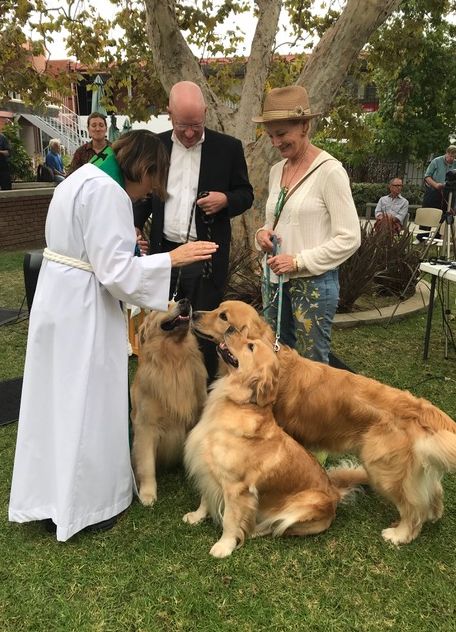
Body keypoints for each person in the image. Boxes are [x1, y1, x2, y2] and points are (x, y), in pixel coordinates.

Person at [8, 130, 218, 542]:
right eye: (149, 186)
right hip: (84, 307)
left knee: (56, 398)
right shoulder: (109, 193)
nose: (144, 196)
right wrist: (170, 259)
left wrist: (129, 251)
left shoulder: (78, 178)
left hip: (59, 297)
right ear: (144, 168)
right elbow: (116, 274)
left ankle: (49, 494)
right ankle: (88, 504)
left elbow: (95, 252)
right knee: (86, 399)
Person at [134, 81, 254, 380]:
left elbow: (245, 193)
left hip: (206, 257)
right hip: (166, 253)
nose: (189, 133)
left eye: (196, 125)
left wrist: (225, 200)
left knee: (204, 328)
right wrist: (135, 225)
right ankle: (163, 385)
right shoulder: (156, 145)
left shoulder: (228, 148)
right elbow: (143, 194)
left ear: (206, 112)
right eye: (181, 125)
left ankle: (203, 394)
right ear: (169, 114)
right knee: (162, 324)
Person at [254, 85, 361, 365]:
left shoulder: (330, 171)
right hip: (275, 282)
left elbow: (350, 238)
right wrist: (261, 235)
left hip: (314, 284)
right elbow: (272, 222)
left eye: (281, 134)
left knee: (313, 367)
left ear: (304, 125)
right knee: (277, 357)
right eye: (270, 136)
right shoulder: (277, 171)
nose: (275, 143)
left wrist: (299, 261)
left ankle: (314, 412)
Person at [422, 145, 456, 211]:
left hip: (449, 194)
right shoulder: (436, 161)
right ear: (446, 153)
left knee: (446, 213)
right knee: (432, 213)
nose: (451, 158)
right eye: (450, 156)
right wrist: (436, 185)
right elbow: (427, 176)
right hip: (434, 192)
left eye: (454, 156)